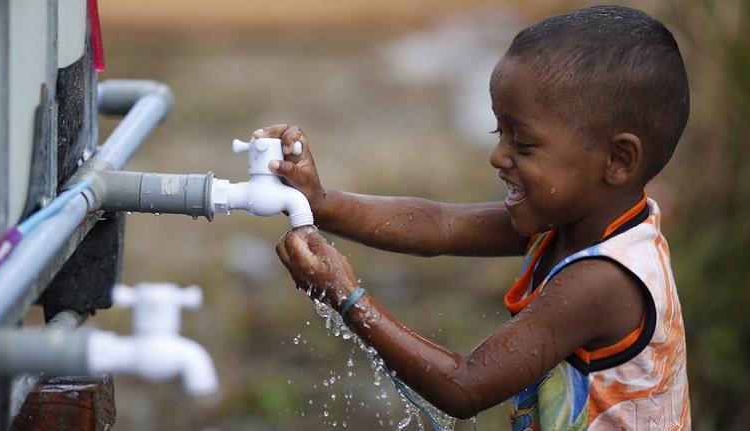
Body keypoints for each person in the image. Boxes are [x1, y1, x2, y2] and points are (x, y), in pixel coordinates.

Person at [265, 5, 691, 430]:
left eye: (522, 144)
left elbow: (467, 387)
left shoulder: (603, 279)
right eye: (498, 133)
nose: (497, 156)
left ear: (617, 159)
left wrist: (347, 296)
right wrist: (319, 201)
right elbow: (438, 226)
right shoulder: (571, 222)